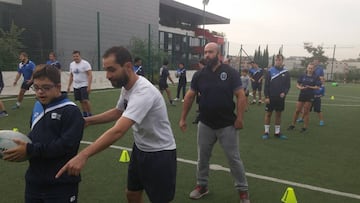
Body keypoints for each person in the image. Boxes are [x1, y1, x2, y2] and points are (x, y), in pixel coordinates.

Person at [56, 46, 177, 203]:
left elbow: (118, 131)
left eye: (111, 70)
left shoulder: (143, 92)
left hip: (160, 154)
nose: (108, 76)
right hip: (140, 149)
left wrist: (83, 155)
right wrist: (87, 121)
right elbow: (118, 111)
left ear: (127, 66)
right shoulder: (127, 87)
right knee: (132, 193)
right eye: (106, 70)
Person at [179, 42, 250, 203]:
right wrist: (183, 118)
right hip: (205, 124)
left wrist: (240, 118)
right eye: (205, 52)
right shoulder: (199, 75)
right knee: (202, 158)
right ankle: (202, 186)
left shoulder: (230, 73)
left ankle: (243, 191)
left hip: (227, 124)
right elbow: (190, 96)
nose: (207, 55)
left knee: (234, 159)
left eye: (210, 52)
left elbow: (240, 95)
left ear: (218, 54)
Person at [3, 64, 84, 203]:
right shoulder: (38, 106)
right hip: (34, 182)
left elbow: (66, 146)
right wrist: (16, 145)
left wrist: (29, 149)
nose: (40, 92)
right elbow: (34, 136)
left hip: (61, 183)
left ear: (58, 87)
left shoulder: (71, 111)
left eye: (46, 88)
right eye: (36, 87)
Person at [262, 54, 290, 140]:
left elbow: (287, 86)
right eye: (277, 60)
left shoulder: (286, 72)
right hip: (270, 97)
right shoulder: (270, 71)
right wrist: (266, 97)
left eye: (280, 60)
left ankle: (277, 133)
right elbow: (266, 86)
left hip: (280, 98)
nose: (278, 61)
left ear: (282, 61)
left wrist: (284, 93)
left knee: (278, 115)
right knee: (268, 114)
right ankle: (266, 132)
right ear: (275, 61)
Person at [287, 63, 321, 133]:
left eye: (311, 68)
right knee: (297, 110)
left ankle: (305, 127)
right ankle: (293, 125)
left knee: (306, 112)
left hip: (310, 96)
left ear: (313, 69)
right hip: (302, 94)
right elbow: (298, 84)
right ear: (307, 68)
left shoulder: (316, 77)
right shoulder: (303, 75)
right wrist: (300, 87)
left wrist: (310, 87)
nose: (310, 69)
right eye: (309, 68)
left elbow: (318, 87)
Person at [67, 50, 93, 117]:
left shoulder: (85, 64)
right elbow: (71, 75)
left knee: (85, 100)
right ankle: (84, 113)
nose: (75, 58)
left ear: (80, 56)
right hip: (76, 85)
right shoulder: (72, 64)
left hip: (84, 84)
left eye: (77, 56)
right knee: (80, 100)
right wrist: (69, 86)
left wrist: (89, 86)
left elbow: (90, 75)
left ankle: (90, 113)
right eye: (74, 56)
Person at [192, 59, 206, 124]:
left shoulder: (203, 72)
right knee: (201, 105)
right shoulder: (202, 72)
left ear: (201, 64)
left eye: (199, 64)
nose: (198, 65)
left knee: (202, 106)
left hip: (203, 92)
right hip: (201, 91)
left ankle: (199, 119)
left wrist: (200, 90)